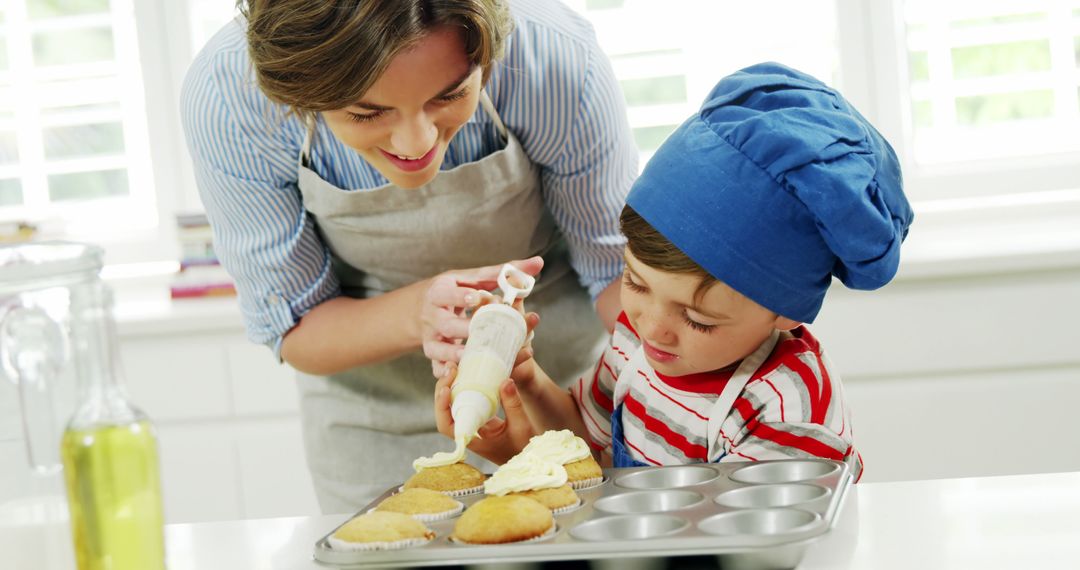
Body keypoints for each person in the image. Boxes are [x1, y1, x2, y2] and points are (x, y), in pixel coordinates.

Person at [179, 0, 638, 512]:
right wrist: (419, 312)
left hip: (560, 403)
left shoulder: (555, 60)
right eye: (367, 112)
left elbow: (620, 278)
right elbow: (293, 327)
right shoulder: (230, 97)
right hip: (375, 426)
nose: (415, 142)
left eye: (450, 95)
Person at [434, 62, 915, 479]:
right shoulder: (636, 340)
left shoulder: (783, 403)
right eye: (635, 283)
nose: (654, 330)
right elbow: (587, 437)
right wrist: (528, 383)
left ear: (786, 312)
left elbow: (744, 542)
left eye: (698, 319)